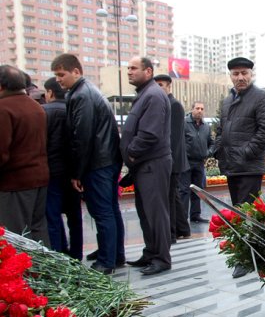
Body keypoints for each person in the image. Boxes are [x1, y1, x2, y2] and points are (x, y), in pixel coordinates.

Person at [51, 54, 125, 274]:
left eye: (61, 74)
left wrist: (77, 172)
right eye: (56, 75)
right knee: (110, 210)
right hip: (106, 160)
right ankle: (114, 254)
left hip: (98, 163)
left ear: (76, 71)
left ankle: (106, 260)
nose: (58, 80)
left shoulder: (81, 95)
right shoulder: (88, 90)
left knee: (102, 212)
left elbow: (81, 137)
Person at [214, 56, 265, 278]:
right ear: (230, 75)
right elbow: (221, 129)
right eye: (235, 73)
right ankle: (244, 253)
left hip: (249, 166)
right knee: (238, 212)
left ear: (251, 73)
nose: (240, 77)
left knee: (248, 213)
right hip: (232, 165)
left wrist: (245, 153)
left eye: (244, 73)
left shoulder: (262, 97)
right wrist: (219, 149)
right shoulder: (227, 101)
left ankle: (249, 256)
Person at [121, 57, 172, 276]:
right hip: (144, 165)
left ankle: (161, 258)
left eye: (134, 68)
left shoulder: (153, 95)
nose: (129, 72)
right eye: (128, 68)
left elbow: (150, 133)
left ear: (148, 71)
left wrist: (131, 152)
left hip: (151, 163)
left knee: (155, 212)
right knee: (145, 212)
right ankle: (151, 253)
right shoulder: (145, 94)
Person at [0, 66, 50, 246]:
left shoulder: (4, 108)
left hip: (14, 182)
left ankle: (24, 273)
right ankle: (45, 272)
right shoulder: (35, 106)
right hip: (39, 178)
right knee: (38, 230)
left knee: (16, 235)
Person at [43, 77, 83, 259]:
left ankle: (58, 257)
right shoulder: (73, 109)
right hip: (73, 172)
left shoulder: (43, 112)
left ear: (50, 92)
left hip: (52, 172)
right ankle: (76, 256)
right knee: (75, 218)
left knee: (52, 217)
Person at [154, 74, 191, 244]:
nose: (158, 88)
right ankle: (182, 229)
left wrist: (168, 161)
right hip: (169, 159)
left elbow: (174, 137)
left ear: (169, 87)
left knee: (169, 196)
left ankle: (171, 233)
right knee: (173, 195)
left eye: (161, 85)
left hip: (172, 160)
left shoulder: (174, 105)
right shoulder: (163, 104)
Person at [181, 102, 213, 223]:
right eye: (197, 108)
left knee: (197, 190)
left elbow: (211, 142)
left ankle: (195, 214)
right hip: (186, 162)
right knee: (184, 190)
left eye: (202, 109)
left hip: (199, 162)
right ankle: (183, 217)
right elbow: (180, 141)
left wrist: (207, 153)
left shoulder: (206, 126)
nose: (200, 111)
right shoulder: (184, 123)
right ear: (192, 109)